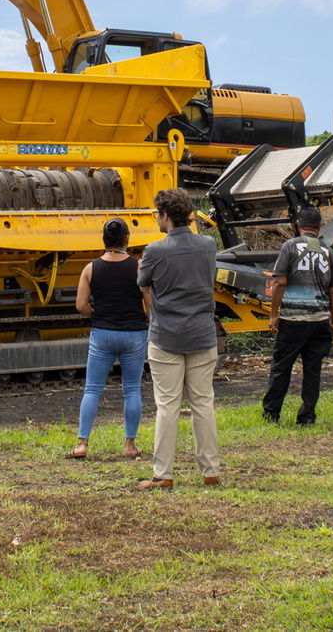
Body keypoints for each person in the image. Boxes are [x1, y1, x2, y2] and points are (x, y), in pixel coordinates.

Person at [136, 188, 222, 489]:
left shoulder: (154, 251)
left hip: (166, 335)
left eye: (156, 214)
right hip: (202, 332)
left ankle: (164, 474)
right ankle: (210, 470)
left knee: (168, 406)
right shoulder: (208, 245)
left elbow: (143, 285)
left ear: (165, 216)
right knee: (203, 403)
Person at [68, 218, 148, 460]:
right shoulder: (139, 266)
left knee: (92, 389)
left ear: (104, 240)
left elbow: (81, 305)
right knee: (131, 389)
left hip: (102, 332)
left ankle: (82, 443)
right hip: (134, 333)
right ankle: (130, 445)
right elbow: (150, 303)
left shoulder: (90, 268)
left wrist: (97, 314)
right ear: (127, 239)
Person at [261, 206, 333, 426]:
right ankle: (307, 416)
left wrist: (274, 315)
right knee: (313, 369)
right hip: (319, 321)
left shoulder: (290, 247)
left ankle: (272, 414)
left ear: (298, 225)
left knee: (281, 368)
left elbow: (279, 282)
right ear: (320, 226)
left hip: (292, 320)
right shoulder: (328, 251)